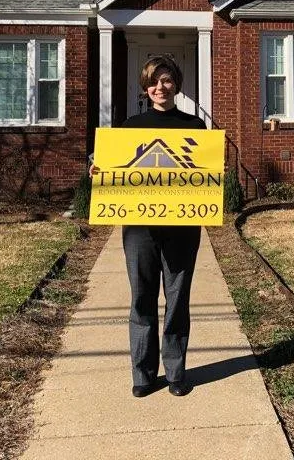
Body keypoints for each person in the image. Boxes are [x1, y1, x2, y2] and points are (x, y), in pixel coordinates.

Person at [92, 55, 207, 398]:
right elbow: (116, 170)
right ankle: (142, 374)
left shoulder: (195, 127)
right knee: (141, 298)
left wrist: (214, 175)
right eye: (154, 82)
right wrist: (101, 174)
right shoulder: (129, 128)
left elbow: (202, 172)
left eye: (167, 80)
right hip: (139, 228)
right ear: (145, 87)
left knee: (177, 300)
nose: (161, 87)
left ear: (177, 85)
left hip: (182, 229)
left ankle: (175, 372)